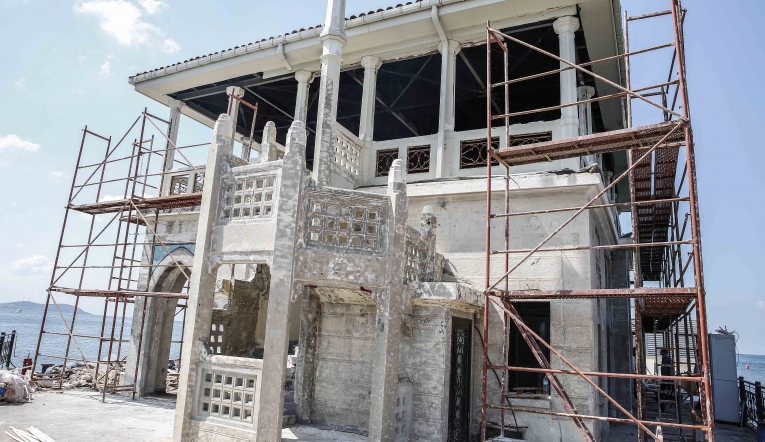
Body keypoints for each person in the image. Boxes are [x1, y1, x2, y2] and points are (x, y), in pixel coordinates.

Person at [659, 347, 674, 412]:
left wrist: (669, 377)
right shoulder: (664, 358)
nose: (660, 352)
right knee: (664, 390)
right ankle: (664, 404)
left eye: (661, 351)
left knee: (668, 390)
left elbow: (670, 368)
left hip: (667, 377)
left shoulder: (667, 358)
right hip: (665, 376)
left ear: (664, 352)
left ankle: (668, 403)